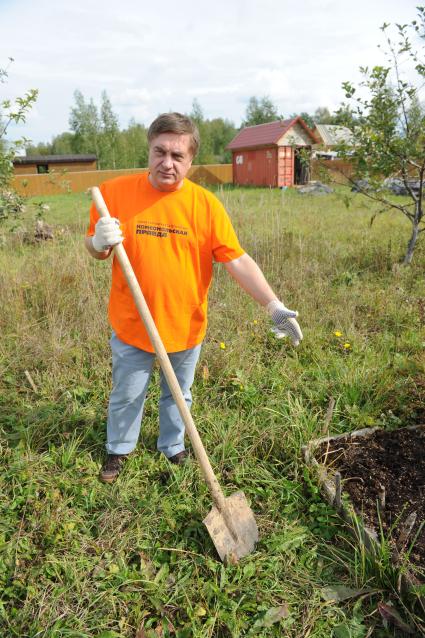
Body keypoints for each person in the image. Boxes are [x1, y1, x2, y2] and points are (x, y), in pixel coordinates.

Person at [85, 112, 303, 483]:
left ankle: (172, 446)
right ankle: (119, 449)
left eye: (177, 156)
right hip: (132, 324)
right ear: (149, 150)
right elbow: (98, 251)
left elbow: (237, 260)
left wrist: (273, 305)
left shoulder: (205, 205)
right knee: (127, 393)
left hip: (185, 325)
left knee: (178, 395)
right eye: (160, 152)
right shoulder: (113, 194)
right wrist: (96, 242)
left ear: (191, 160)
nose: (166, 163)